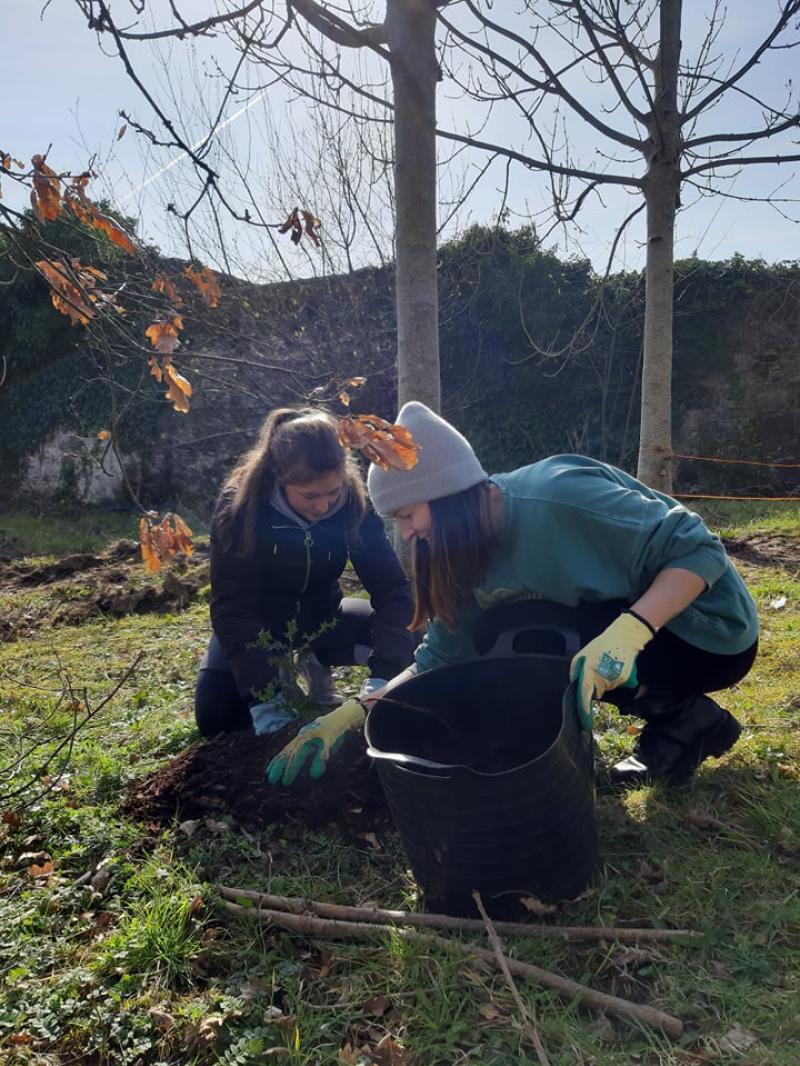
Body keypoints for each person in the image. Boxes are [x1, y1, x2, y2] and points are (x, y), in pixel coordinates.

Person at [356, 401, 759, 788]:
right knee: (492, 632)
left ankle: (675, 716)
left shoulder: (557, 497)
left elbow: (701, 550)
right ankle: (685, 720)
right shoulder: (461, 551)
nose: (406, 534)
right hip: (621, 625)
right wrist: (361, 710)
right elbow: (445, 653)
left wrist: (627, 635)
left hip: (706, 633)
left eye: (407, 515)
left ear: (448, 494)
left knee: (526, 630)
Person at [195, 406, 415, 748]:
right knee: (216, 715)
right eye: (310, 496)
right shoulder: (241, 509)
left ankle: (313, 661)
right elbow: (233, 608)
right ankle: (280, 676)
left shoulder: (354, 504)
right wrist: (267, 700)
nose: (324, 506)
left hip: (322, 620)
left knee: (413, 641)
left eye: (332, 493)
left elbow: (393, 590)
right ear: (277, 477)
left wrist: (383, 680)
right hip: (260, 629)